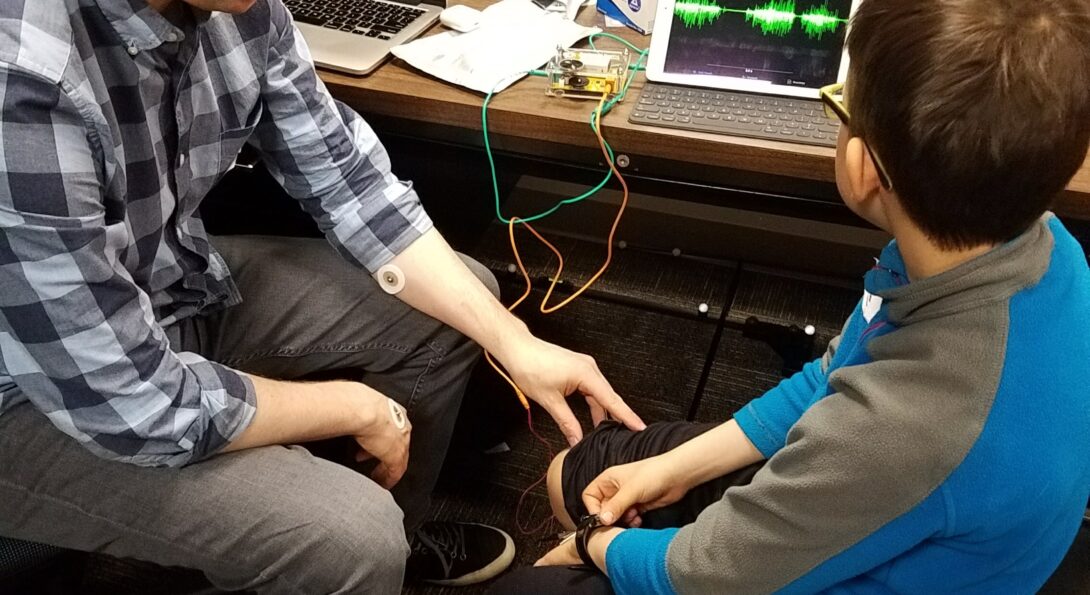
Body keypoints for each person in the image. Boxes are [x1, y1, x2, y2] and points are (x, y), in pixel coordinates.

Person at [0, 0, 647, 592]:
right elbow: (133, 403)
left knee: (463, 303)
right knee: (349, 534)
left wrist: (516, 342)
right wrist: (354, 406)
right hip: (35, 388)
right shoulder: (25, 73)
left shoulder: (241, 11)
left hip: (157, 285)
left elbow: (353, 184)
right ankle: (345, 555)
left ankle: (372, 553)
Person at [491, 0, 1090, 592]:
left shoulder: (907, 426)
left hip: (833, 531)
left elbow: (703, 576)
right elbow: (835, 374)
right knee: (577, 473)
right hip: (907, 491)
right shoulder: (1045, 248)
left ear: (861, 166)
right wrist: (672, 470)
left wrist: (594, 546)